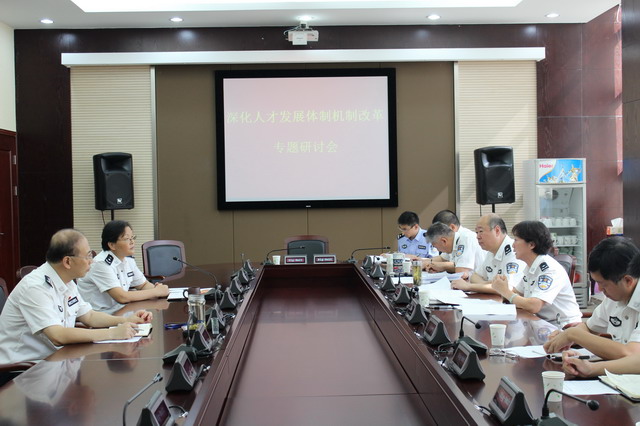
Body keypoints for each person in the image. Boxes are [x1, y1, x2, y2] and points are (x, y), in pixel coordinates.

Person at [0, 229, 152, 364]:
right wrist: (112, 333)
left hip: (57, 361)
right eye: (87, 256)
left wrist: (126, 321)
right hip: (23, 371)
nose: (91, 261)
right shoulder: (36, 287)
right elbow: (57, 335)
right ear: (67, 261)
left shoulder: (66, 281)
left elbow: (89, 316)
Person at [544, 237, 640, 359]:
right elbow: (589, 328)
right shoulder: (614, 298)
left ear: (628, 281)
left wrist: (573, 335)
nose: (599, 289)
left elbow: (631, 354)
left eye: (603, 284)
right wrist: (565, 336)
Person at [491, 221, 582, 327]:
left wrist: (505, 291)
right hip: (540, 322)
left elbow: (534, 306)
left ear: (531, 244)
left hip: (563, 327)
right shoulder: (531, 266)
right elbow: (518, 293)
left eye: (516, 240)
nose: (512, 245)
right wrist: (503, 287)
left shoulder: (549, 270)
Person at [77, 221, 169, 312]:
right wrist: (156, 292)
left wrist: (158, 290)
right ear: (112, 245)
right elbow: (122, 297)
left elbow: (143, 285)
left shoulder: (128, 260)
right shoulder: (101, 264)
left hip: (121, 310)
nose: (132, 242)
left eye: (132, 238)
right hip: (99, 315)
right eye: (127, 239)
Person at [451, 213, 525, 293]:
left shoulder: (513, 251)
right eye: (476, 232)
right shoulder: (491, 251)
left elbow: (508, 288)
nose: (477, 236)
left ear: (497, 231)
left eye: (481, 231)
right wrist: (486, 284)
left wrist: (469, 286)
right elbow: (474, 276)